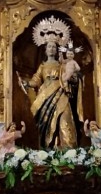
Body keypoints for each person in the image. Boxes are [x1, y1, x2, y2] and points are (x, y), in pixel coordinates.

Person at [22, 17, 81, 149]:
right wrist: (27, 84)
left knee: (64, 118)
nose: (52, 49)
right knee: (47, 122)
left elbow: (71, 77)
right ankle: (48, 148)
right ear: (45, 49)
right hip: (45, 96)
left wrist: (74, 78)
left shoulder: (62, 65)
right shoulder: (42, 66)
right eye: (49, 46)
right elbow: (36, 80)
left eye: (54, 47)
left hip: (61, 94)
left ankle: (67, 149)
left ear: (57, 49)